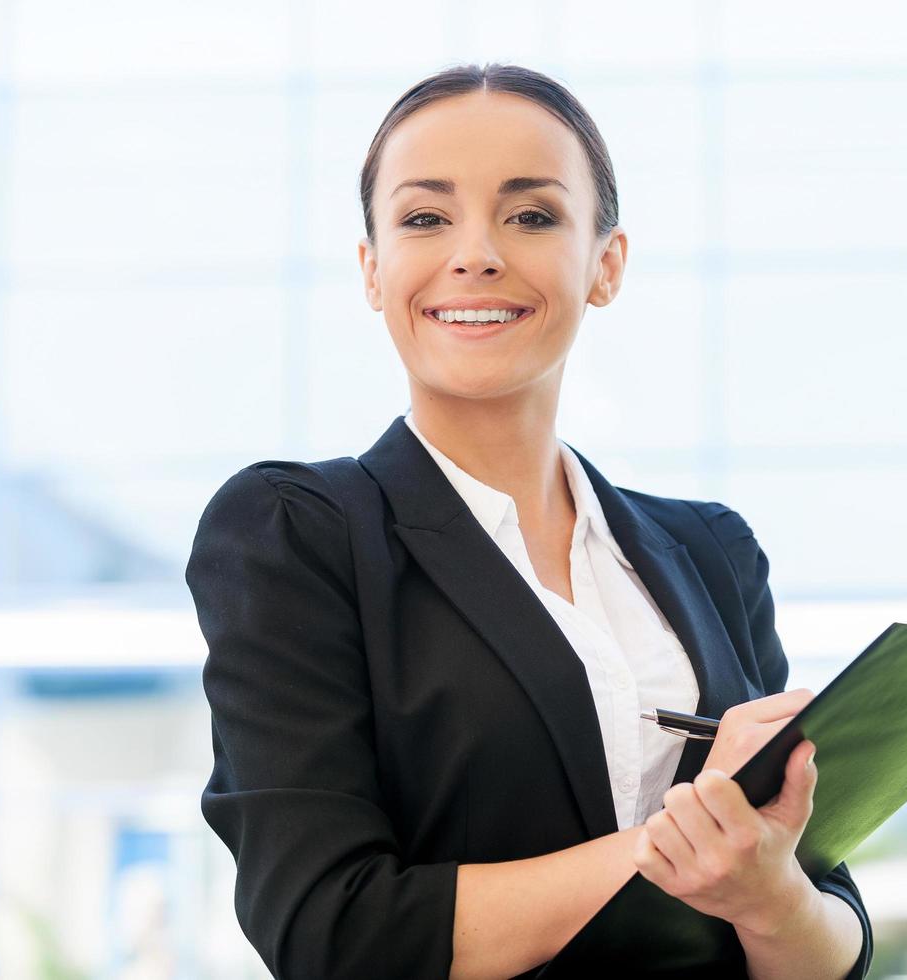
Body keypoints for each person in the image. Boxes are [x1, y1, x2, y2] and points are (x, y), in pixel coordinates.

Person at [186, 62, 872, 980]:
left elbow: (829, 940)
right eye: (425, 218)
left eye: (532, 215)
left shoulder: (713, 554)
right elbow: (331, 933)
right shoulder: (298, 535)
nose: (476, 253)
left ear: (606, 264)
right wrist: (694, 836)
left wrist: (768, 890)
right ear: (373, 269)